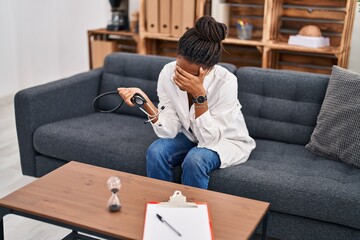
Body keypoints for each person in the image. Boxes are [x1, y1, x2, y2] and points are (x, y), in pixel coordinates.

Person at [118, 16, 255, 189]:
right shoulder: (167, 73)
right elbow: (170, 131)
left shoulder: (226, 82)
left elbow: (210, 139)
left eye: (188, 75)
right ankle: (161, 209)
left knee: (195, 159)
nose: (179, 79)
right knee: (156, 151)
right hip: (191, 136)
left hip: (225, 140)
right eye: (178, 69)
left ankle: (191, 214)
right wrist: (145, 102)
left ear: (207, 70)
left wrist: (199, 96)